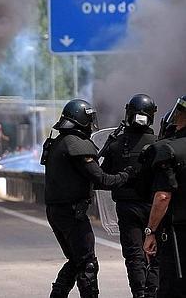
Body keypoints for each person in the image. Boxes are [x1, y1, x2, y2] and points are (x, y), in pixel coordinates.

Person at [41, 99, 137, 298]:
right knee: (87, 263)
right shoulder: (76, 143)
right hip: (72, 212)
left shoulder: (58, 142)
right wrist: (127, 175)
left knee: (76, 260)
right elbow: (101, 179)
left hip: (56, 211)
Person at [100, 94, 159, 297]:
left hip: (127, 208)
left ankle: (140, 294)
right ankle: (152, 293)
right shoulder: (159, 144)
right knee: (155, 254)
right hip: (154, 208)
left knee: (134, 255)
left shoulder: (116, 145)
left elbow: (103, 177)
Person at [143, 95, 186, 296]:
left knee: (172, 286)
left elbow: (163, 197)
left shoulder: (169, 149)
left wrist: (150, 231)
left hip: (178, 232)